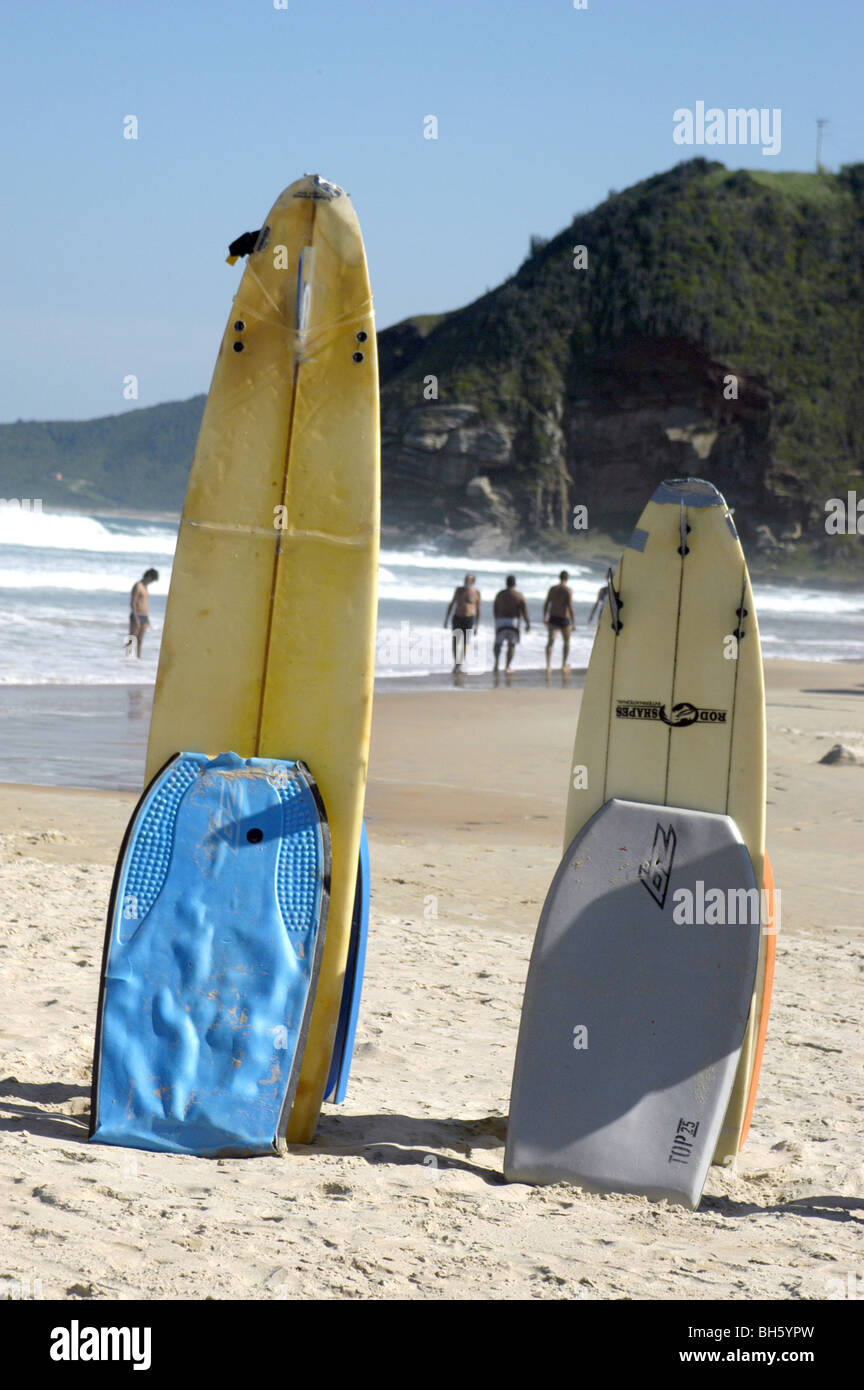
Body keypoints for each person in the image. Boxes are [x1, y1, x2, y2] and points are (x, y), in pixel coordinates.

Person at [493, 575, 530, 674]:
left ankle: (496, 663)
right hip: (513, 621)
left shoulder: (500, 594)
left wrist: (496, 620)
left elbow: (495, 608)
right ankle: (507, 666)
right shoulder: (519, 595)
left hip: (501, 620)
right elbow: (524, 610)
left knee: (498, 644)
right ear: (515, 583)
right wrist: (527, 623)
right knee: (511, 645)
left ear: (506, 583)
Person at [444, 573, 481, 672]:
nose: (466, 581)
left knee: (465, 643)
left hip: (469, 619)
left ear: (472, 582)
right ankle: (456, 664)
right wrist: (446, 619)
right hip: (457, 617)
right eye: (465, 579)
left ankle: (459, 665)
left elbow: (478, 610)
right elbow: (451, 604)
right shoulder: (459, 590)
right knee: (455, 641)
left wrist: (477, 626)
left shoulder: (476, 592)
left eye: (468, 580)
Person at [544, 569, 575, 674]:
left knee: (550, 641)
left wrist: (545, 617)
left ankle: (548, 665)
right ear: (567, 579)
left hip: (553, 617)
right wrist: (574, 622)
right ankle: (563, 664)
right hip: (564, 619)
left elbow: (546, 604)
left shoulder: (552, 589)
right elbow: (570, 607)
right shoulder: (568, 590)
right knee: (566, 642)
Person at [125, 568, 159, 659]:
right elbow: (133, 602)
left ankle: (138, 660)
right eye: (152, 580)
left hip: (144, 616)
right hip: (137, 615)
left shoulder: (145, 587)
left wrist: (147, 619)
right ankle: (127, 659)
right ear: (148, 576)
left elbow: (144, 603)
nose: (151, 582)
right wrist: (136, 618)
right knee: (132, 639)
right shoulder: (138, 586)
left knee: (140, 640)